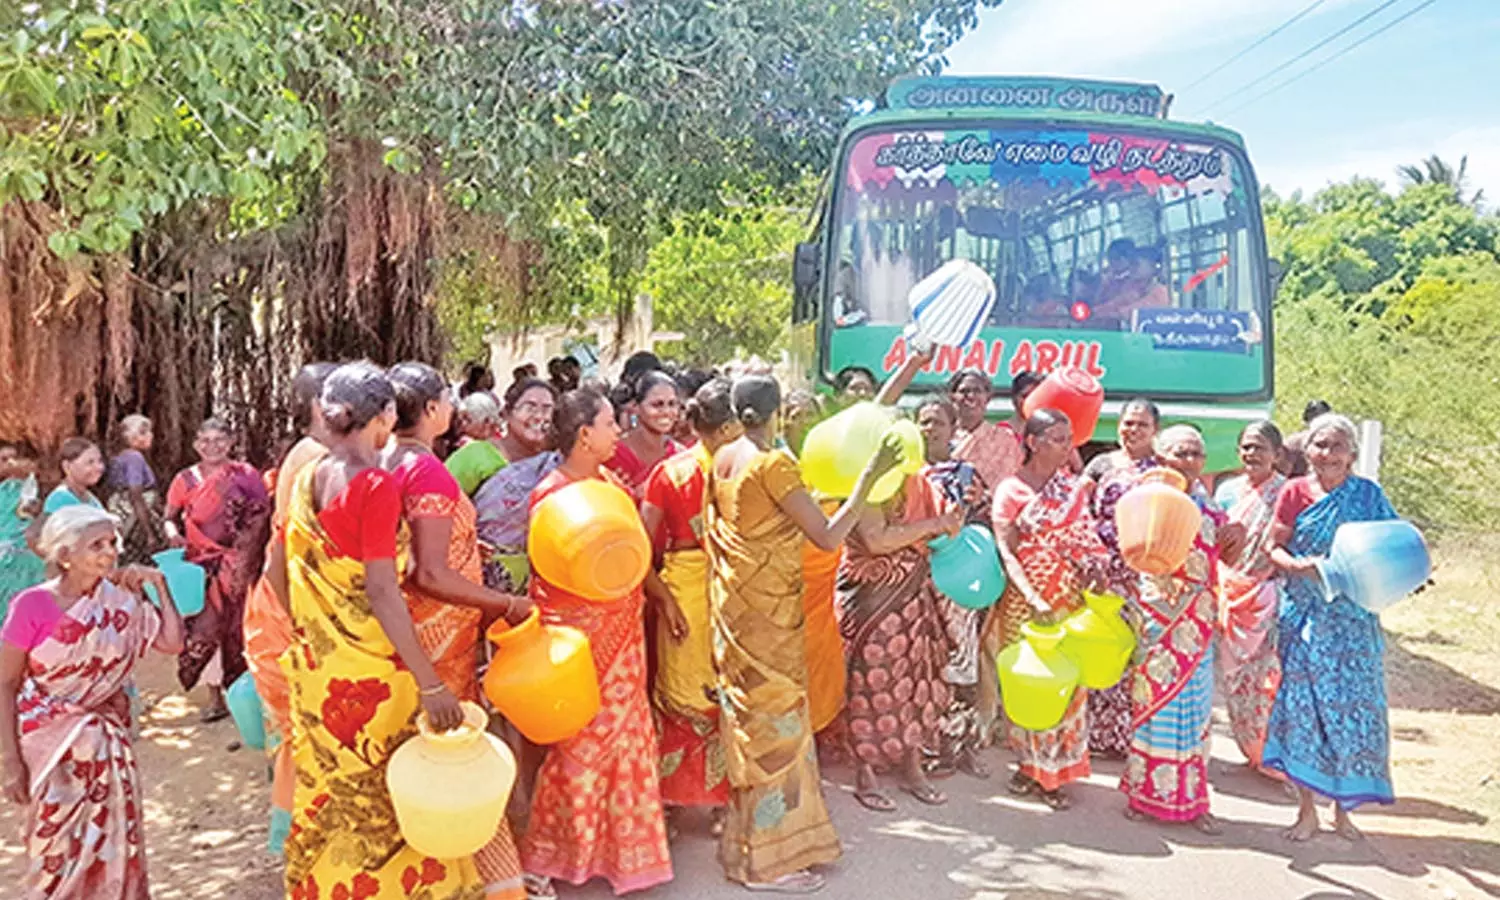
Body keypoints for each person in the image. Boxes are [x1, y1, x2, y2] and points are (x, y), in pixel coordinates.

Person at [280, 361, 482, 898]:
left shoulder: (305, 479)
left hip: (319, 676)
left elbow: (279, 574)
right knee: (388, 800)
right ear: (387, 416)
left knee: (331, 794)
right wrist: (431, 682)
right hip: (374, 678)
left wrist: (318, 636)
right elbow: (382, 591)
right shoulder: (373, 486)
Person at [705, 374, 900, 893]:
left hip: (737, 614)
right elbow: (829, 535)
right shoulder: (774, 465)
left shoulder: (723, 458)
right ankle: (770, 863)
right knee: (776, 738)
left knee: (750, 730)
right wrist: (867, 479)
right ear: (775, 415)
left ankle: (744, 848)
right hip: (769, 625)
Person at [385, 361, 531, 900]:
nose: (451, 408)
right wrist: (506, 601)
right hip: (437, 635)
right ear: (429, 410)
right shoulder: (425, 471)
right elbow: (429, 573)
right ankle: (497, 885)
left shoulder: (387, 462)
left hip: (411, 633)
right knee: (460, 759)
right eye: (445, 400)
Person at [520, 388, 672, 898]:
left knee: (628, 740)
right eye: (610, 424)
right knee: (578, 746)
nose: (617, 432)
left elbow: (633, 555)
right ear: (585, 434)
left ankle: (626, 855)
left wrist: (662, 597)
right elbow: (549, 569)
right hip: (577, 641)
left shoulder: (611, 483)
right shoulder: (551, 493)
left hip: (624, 633)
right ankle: (554, 856)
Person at [0, 505, 185, 899]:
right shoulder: (32, 606)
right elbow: (5, 683)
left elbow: (172, 642)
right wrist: (12, 762)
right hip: (48, 750)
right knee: (53, 849)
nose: (110, 552)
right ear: (64, 556)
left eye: (112, 543)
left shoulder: (119, 601)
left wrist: (160, 587)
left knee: (114, 847)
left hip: (106, 751)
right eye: (95, 545)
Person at [1263, 413, 1398, 842]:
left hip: (1354, 622)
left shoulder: (1368, 496)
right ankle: (1306, 812)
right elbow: (1274, 547)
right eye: (1319, 444)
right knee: (1305, 711)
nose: (1327, 453)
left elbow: (1395, 544)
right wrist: (1297, 568)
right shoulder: (1293, 493)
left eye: (1337, 445)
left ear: (1352, 454)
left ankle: (1344, 812)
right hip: (1304, 617)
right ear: (1307, 450)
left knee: (1352, 714)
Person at [990, 409, 1110, 810]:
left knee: (1068, 686)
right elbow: (1007, 551)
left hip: (1070, 599)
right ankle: (1031, 766)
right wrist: (1033, 597)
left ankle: (1054, 771)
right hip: (1028, 604)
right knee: (1032, 685)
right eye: (1058, 438)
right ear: (1033, 442)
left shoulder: (1072, 488)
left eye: (1069, 438)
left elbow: (1087, 540)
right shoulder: (1011, 490)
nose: (1066, 446)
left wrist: (1096, 570)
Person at [1120, 425, 1235, 834]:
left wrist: (1233, 538)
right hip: (1158, 619)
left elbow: (1226, 556)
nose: (1189, 462)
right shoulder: (1146, 499)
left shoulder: (1211, 508)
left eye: (1196, 454)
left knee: (1198, 710)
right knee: (1153, 705)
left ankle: (1193, 800)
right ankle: (1143, 795)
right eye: (1181, 454)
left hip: (1198, 623)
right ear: (1162, 457)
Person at [838, 438, 963, 812]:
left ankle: (912, 765)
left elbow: (946, 528)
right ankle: (866, 770)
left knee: (915, 680)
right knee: (868, 679)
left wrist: (950, 519)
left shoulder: (918, 482)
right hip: (873, 598)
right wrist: (936, 523)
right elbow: (876, 540)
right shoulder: (860, 481)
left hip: (913, 594)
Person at [242, 361, 335, 855]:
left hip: (288, 605)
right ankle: (302, 839)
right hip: (292, 611)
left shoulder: (313, 453)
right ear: (322, 405)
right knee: (302, 735)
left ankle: (301, 835)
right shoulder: (316, 458)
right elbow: (290, 552)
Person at [638, 378, 740, 828]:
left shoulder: (670, 472)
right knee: (723, 690)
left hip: (683, 589)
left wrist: (664, 601)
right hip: (731, 588)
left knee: (681, 693)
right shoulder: (746, 471)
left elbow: (640, 549)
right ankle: (723, 802)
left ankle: (674, 802)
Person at [163, 418, 270, 722]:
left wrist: (248, 554)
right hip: (202, 567)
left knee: (241, 627)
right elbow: (170, 516)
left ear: (231, 442)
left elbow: (262, 515)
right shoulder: (185, 480)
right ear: (196, 444)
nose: (212, 446)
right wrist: (173, 534)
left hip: (240, 565)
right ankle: (215, 698)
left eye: (219, 440)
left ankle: (247, 695)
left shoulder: (246, 475)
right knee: (205, 631)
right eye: (205, 441)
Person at [914, 397, 992, 779]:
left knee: (961, 662)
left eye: (937, 422)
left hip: (958, 580)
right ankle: (929, 748)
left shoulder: (965, 473)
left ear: (952, 426)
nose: (930, 429)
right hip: (915, 582)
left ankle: (962, 748)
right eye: (924, 422)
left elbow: (983, 520)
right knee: (923, 666)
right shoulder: (906, 472)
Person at [1081, 397, 1162, 757]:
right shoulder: (1101, 464)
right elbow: (1078, 509)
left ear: (1154, 431)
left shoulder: (1163, 470)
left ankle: (1130, 738)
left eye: (1142, 425)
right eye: (1128, 422)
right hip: (1102, 573)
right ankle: (1095, 737)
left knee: (1137, 655)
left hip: (1144, 576)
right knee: (1101, 650)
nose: (1133, 430)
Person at [1213, 421, 1288, 776]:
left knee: (1267, 679)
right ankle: (1249, 748)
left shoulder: (1287, 494)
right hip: (1230, 597)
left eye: (1259, 447)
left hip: (1266, 598)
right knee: (1234, 678)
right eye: (1245, 447)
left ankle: (1270, 754)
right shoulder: (1228, 491)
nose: (1251, 454)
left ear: (1277, 454)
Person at [473, 378, 560, 593]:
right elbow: (445, 509)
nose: (539, 416)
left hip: (544, 582)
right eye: (529, 407)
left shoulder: (555, 465)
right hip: (482, 580)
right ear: (507, 413)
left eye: (547, 409)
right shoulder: (477, 456)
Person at [607, 370, 683, 499]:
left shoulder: (680, 456)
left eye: (672, 404)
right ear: (636, 407)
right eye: (657, 404)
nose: (666, 411)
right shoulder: (613, 453)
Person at [105, 415, 164, 564]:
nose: (150, 435)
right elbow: (136, 495)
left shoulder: (118, 457)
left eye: (150, 431)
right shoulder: (134, 458)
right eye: (143, 432)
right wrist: (149, 533)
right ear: (128, 437)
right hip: (136, 518)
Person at [0, 443, 44, 626]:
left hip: (24, 552)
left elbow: (32, 513)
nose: (11, 463)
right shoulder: (5, 490)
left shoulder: (28, 487)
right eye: (4, 460)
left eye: (14, 458)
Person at [447, 392, 508, 495]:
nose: (463, 426)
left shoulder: (496, 449)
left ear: (487, 422)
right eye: (460, 421)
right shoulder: (464, 447)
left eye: (468, 420)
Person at [1094, 239, 1169, 322]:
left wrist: (1107, 315)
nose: (1131, 268)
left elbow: (1132, 313)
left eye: (1136, 264)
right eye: (1131, 264)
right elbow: (1116, 303)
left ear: (1153, 267)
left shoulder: (1160, 292)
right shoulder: (1134, 287)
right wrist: (1094, 312)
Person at [44, 437, 105, 514]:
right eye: (90, 462)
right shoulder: (60, 500)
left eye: (100, 461)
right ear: (67, 466)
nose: (100, 467)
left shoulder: (90, 498)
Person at [1278, 399, 1333, 478]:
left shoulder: (1338, 443)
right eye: (1314, 416)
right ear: (1307, 420)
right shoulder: (1294, 443)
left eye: (1323, 416)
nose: (1319, 420)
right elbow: (1281, 476)